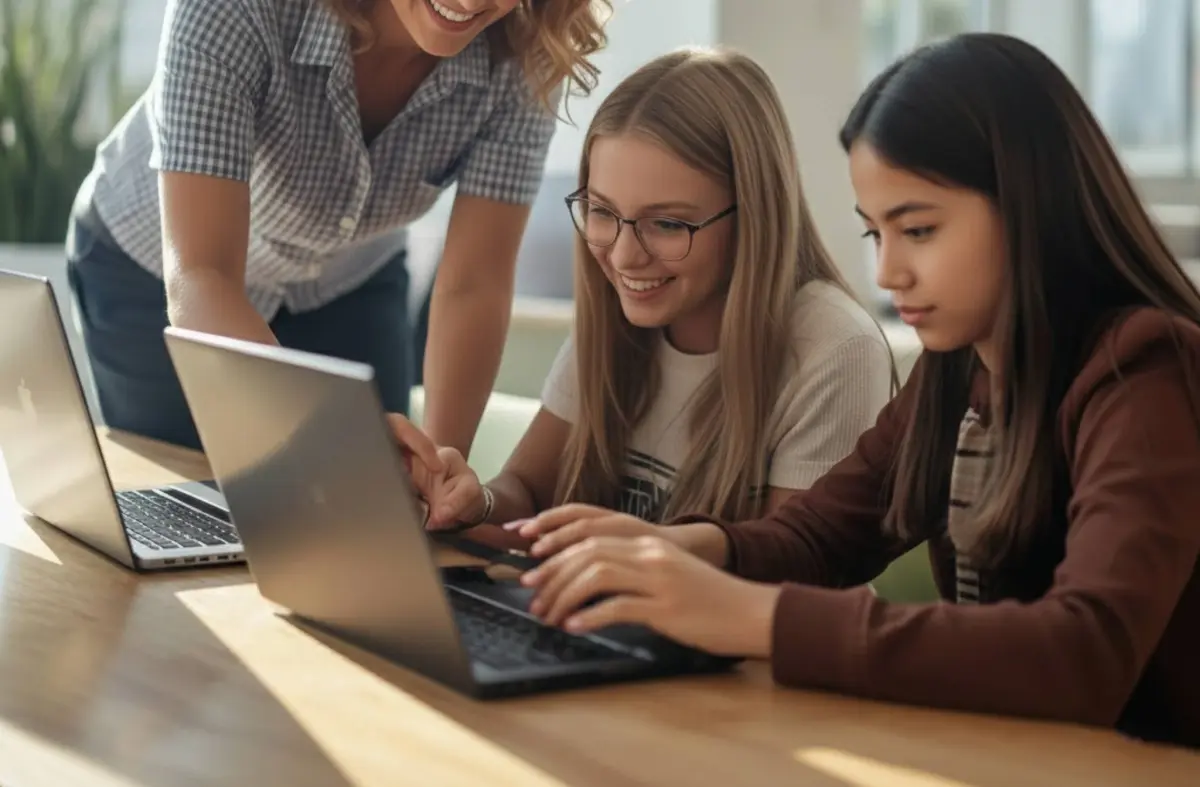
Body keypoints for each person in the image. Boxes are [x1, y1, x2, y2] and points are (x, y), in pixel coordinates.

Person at [509, 33, 1200, 748]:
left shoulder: (1146, 369)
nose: (888, 273)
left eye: (920, 229)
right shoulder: (957, 366)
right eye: (875, 232)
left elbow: (1084, 652)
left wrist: (750, 616)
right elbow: (822, 535)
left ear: (1029, 206)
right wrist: (674, 552)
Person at [395, 47, 895, 543]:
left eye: (668, 223)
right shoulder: (618, 315)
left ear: (754, 216)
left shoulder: (836, 350)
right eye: (602, 212)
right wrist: (472, 502)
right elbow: (527, 494)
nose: (625, 257)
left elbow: (786, 577)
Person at [65, 0, 608, 454]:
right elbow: (204, 274)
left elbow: (476, 281)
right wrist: (318, 442)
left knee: (382, 519)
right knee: (197, 509)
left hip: (349, 276)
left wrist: (442, 470)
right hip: (155, 269)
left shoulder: (527, 47)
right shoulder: (235, 6)